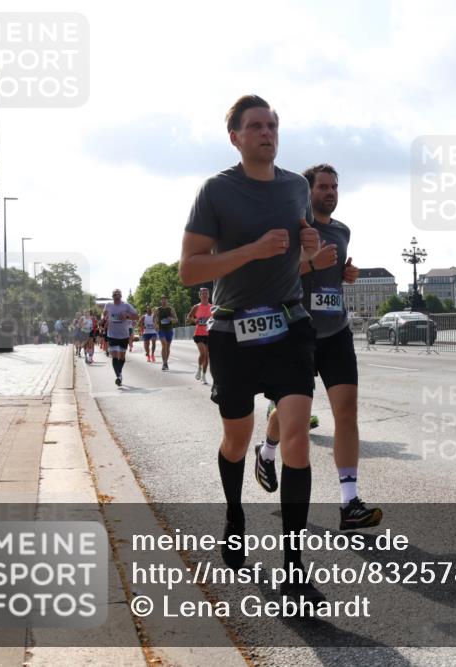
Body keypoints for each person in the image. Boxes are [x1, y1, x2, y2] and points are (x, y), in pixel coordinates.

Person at [179, 94, 322, 599]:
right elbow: (190, 270)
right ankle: (235, 513)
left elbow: (301, 255)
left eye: (274, 125)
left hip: (289, 325)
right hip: (231, 331)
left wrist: (310, 251)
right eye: (256, 126)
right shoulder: (216, 191)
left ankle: (294, 562)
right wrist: (251, 251)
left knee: (298, 440)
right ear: (235, 136)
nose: (267, 133)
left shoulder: (295, 187)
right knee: (237, 440)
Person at [256, 164, 381, 531]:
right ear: (308, 191)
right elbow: (273, 275)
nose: (330, 192)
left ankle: (349, 502)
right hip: (299, 331)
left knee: (347, 411)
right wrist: (311, 264)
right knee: (292, 413)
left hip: (336, 330)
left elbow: (334, 272)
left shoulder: (342, 230)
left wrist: (346, 274)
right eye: (323, 186)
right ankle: (267, 450)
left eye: (335, 186)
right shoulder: (294, 228)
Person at [101, 289, 138, 386]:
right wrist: (103, 317)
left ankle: (119, 374)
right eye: (115, 297)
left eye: (118, 297)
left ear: (121, 297)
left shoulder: (126, 305)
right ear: (112, 297)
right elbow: (104, 314)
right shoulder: (108, 305)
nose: (116, 299)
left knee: (121, 356)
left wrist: (127, 316)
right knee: (114, 355)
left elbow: (136, 316)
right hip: (112, 334)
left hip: (124, 335)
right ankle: (118, 376)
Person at [187, 288, 213, 384]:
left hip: (209, 334)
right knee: (203, 354)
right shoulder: (196, 307)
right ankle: (198, 368)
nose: (205, 295)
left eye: (206, 293)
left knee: (207, 357)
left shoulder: (212, 307)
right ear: (200, 296)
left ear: (209, 295)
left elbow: (215, 319)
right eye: (203, 294)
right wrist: (195, 320)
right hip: (199, 334)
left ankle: (204, 375)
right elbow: (188, 318)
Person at [154, 295, 178, 370]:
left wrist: (170, 318)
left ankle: (166, 362)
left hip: (169, 329)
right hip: (161, 329)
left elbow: (176, 320)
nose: (163, 301)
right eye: (162, 300)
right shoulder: (158, 310)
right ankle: (164, 363)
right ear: (161, 301)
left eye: (165, 300)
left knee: (167, 346)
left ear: (167, 301)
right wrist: (156, 325)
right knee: (164, 344)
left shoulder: (171, 309)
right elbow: (154, 319)